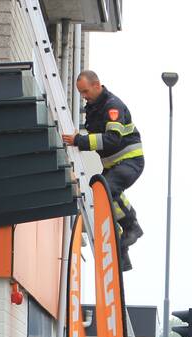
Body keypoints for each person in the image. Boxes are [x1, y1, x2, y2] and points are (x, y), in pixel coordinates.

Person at [61, 70, 144, 271]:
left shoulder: (112, 106)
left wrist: (80, 141)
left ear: (97, 85)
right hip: (113, 165)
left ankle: (132, 226)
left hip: (129, 161)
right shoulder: (94, 108)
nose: (84, 97)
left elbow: (112, 139)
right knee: (101, 194)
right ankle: (122, 252)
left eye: (85, 91)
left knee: (107, 189)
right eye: (81, 93)